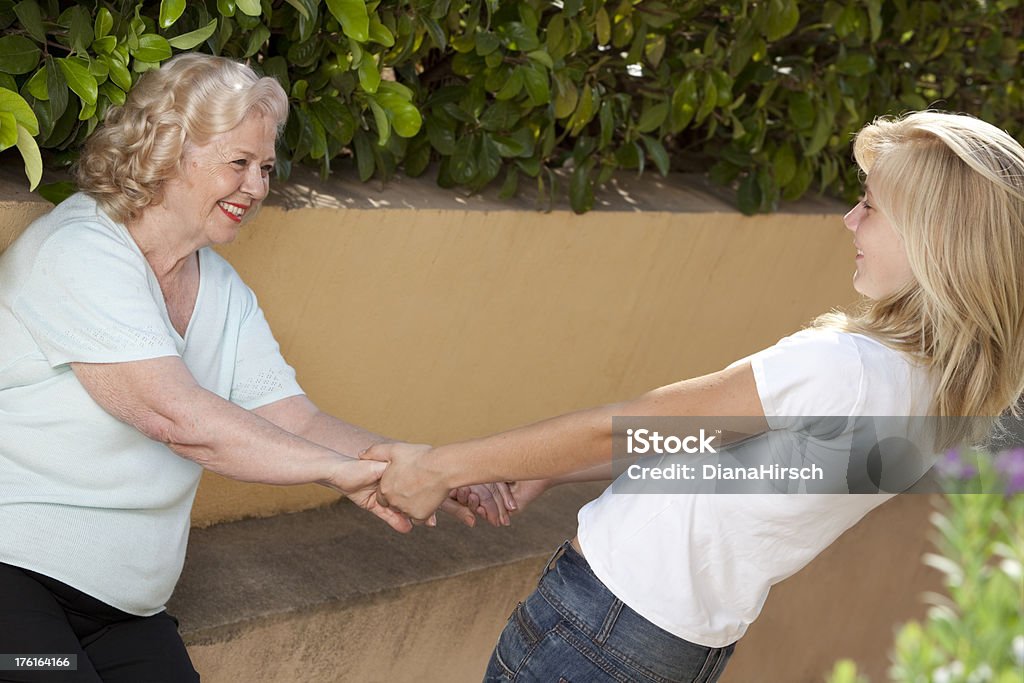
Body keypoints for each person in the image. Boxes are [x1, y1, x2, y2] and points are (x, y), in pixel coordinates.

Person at [363, 111, 1024, 682]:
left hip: (599, 634)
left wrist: (440, 466)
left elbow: (618, 428)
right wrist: (538, 468)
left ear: (936, 240)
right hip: (674, 647)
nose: (849, 218)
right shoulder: (934, 396)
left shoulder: (842, 366)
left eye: (871, 205)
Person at [0, 53, 497, 682]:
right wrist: (346, 475)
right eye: (239, 163)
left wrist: (417, 465)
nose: (258, 187)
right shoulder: (79, 251)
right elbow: (178, 418)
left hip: (126, 609)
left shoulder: (222, 288)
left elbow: (296, 420)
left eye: (264, 167)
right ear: (166, 150)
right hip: (15, 582)